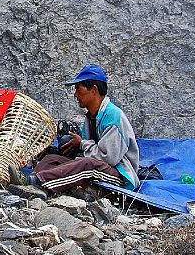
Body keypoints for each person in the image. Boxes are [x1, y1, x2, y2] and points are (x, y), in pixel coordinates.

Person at [12, 64, 140, 194]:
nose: (75, 95)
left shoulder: (113, 116)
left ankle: (38, 182)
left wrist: (82, 143)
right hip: (99, 166)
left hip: (120, 175)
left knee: (87, 165)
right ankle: (29, 180)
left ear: (94, 90)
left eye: (78, 90)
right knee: (52, 159)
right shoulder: (91, 116)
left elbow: (108, 158)